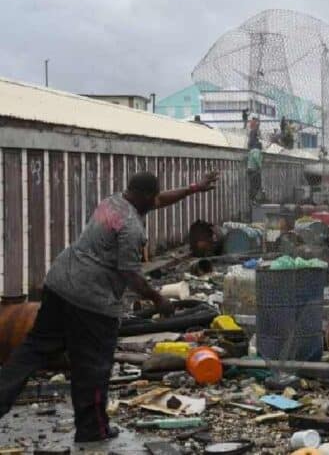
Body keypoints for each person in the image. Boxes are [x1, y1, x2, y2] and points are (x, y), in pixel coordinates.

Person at [0, 171, 219, 442]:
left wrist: (193, 188)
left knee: (33, 349)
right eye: (153, 198)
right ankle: (92, 430)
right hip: (90, 299)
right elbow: (131, 275)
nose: (156, 202)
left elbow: (160, 199)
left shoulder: (114, 201)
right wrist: (158, 299)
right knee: (93, 365)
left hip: (59, 283)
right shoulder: (131, 228)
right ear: (145, 197)